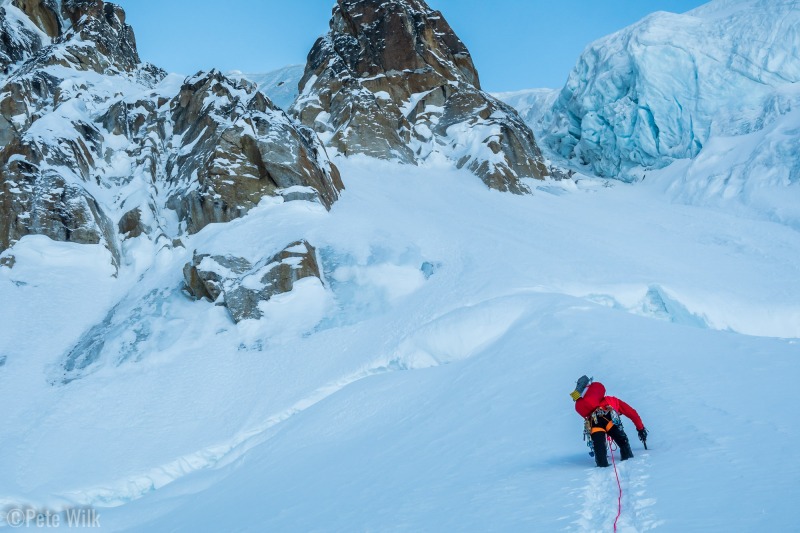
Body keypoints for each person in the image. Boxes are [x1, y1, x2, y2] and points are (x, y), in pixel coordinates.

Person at [570, 375, 648, 467]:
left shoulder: (588, 403)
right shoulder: (613, 400)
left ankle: (602, 464)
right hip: (609, 419)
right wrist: (641, 429)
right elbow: (632, 413)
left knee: (599, 450)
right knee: (623, 443)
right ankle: (628, 460)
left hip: (594, 422)